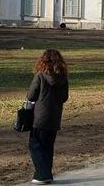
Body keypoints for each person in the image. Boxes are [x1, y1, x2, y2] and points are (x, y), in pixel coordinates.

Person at [26, 49, 69, 185]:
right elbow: (64, 97)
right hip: (55, 116)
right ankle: (46, 174)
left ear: (43, 61)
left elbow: (31, 96)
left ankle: (42, 174)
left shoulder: (40, 76)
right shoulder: (63, 77)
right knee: (48, 146)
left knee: (35, 145)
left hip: (40, 116)